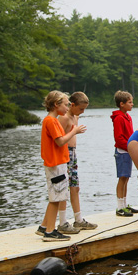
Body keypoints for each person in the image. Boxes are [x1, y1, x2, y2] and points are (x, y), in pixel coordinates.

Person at [36, 91, 87, 242]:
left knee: (56, 196)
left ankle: (44, 227)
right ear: (56, 105)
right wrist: (74, 131)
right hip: (55, 163)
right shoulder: (51, 121)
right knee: (56, 198)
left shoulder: (52, 120)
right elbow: (60, 141)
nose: (67, 107)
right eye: (65, 104)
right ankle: (50, 232)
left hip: (58, 162)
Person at [56, 92, 97, 233]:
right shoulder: (64, 118)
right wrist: (75, 132)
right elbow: (58, 140)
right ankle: (62, 222)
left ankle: (78, 220)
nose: (82, 112)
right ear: (72, 105)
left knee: (75, 187)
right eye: (81, 109)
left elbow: (78, 108)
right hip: (64, 154)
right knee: (64, 189)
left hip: (73, 154)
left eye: (84, 109)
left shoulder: (74, 115)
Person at [111, 90, 137, 217]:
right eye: (130, 102)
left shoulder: (127, 117)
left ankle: (125, 204)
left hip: (128, 150)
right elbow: (119, 138)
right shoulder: (119, 118)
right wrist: (130, 147)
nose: (132, 104)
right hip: (122, 151)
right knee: (122, 178)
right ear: (122, 104)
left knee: (126, 177)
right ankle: (120, 206)